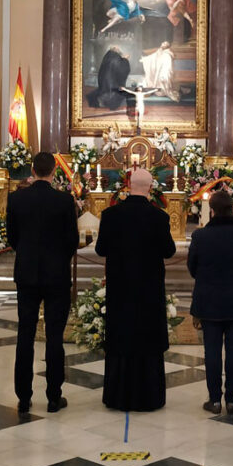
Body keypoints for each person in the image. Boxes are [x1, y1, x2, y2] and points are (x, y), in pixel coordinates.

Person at [96, 168, 176, 411]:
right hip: (149, 290)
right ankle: (149, 396)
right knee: (147, 338)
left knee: (122, 336)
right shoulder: (159, 217)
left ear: (128, 185)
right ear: (151, 187)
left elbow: (100, 250)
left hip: (120, 289)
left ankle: (117, 395)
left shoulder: (110, 215)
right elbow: (169, 251)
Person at [7, 152, 79, 415]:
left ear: (33, 170)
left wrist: (28, 255)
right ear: (53, 173)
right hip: (56, 275)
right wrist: (58, 258)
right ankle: (53, 396)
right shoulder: (63, 200)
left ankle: (24, 398)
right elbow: (72, 239)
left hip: (26, 274)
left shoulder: (16, 198)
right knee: (54, 336)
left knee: (24, 334)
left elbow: (12, 236)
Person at [188, 191, 233, 414]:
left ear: (213, 211)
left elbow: (192, 268)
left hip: (209, 300)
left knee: (212, 350)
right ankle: (232, 400)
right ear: (232, 209)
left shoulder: (201, 236)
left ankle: (215, 400)